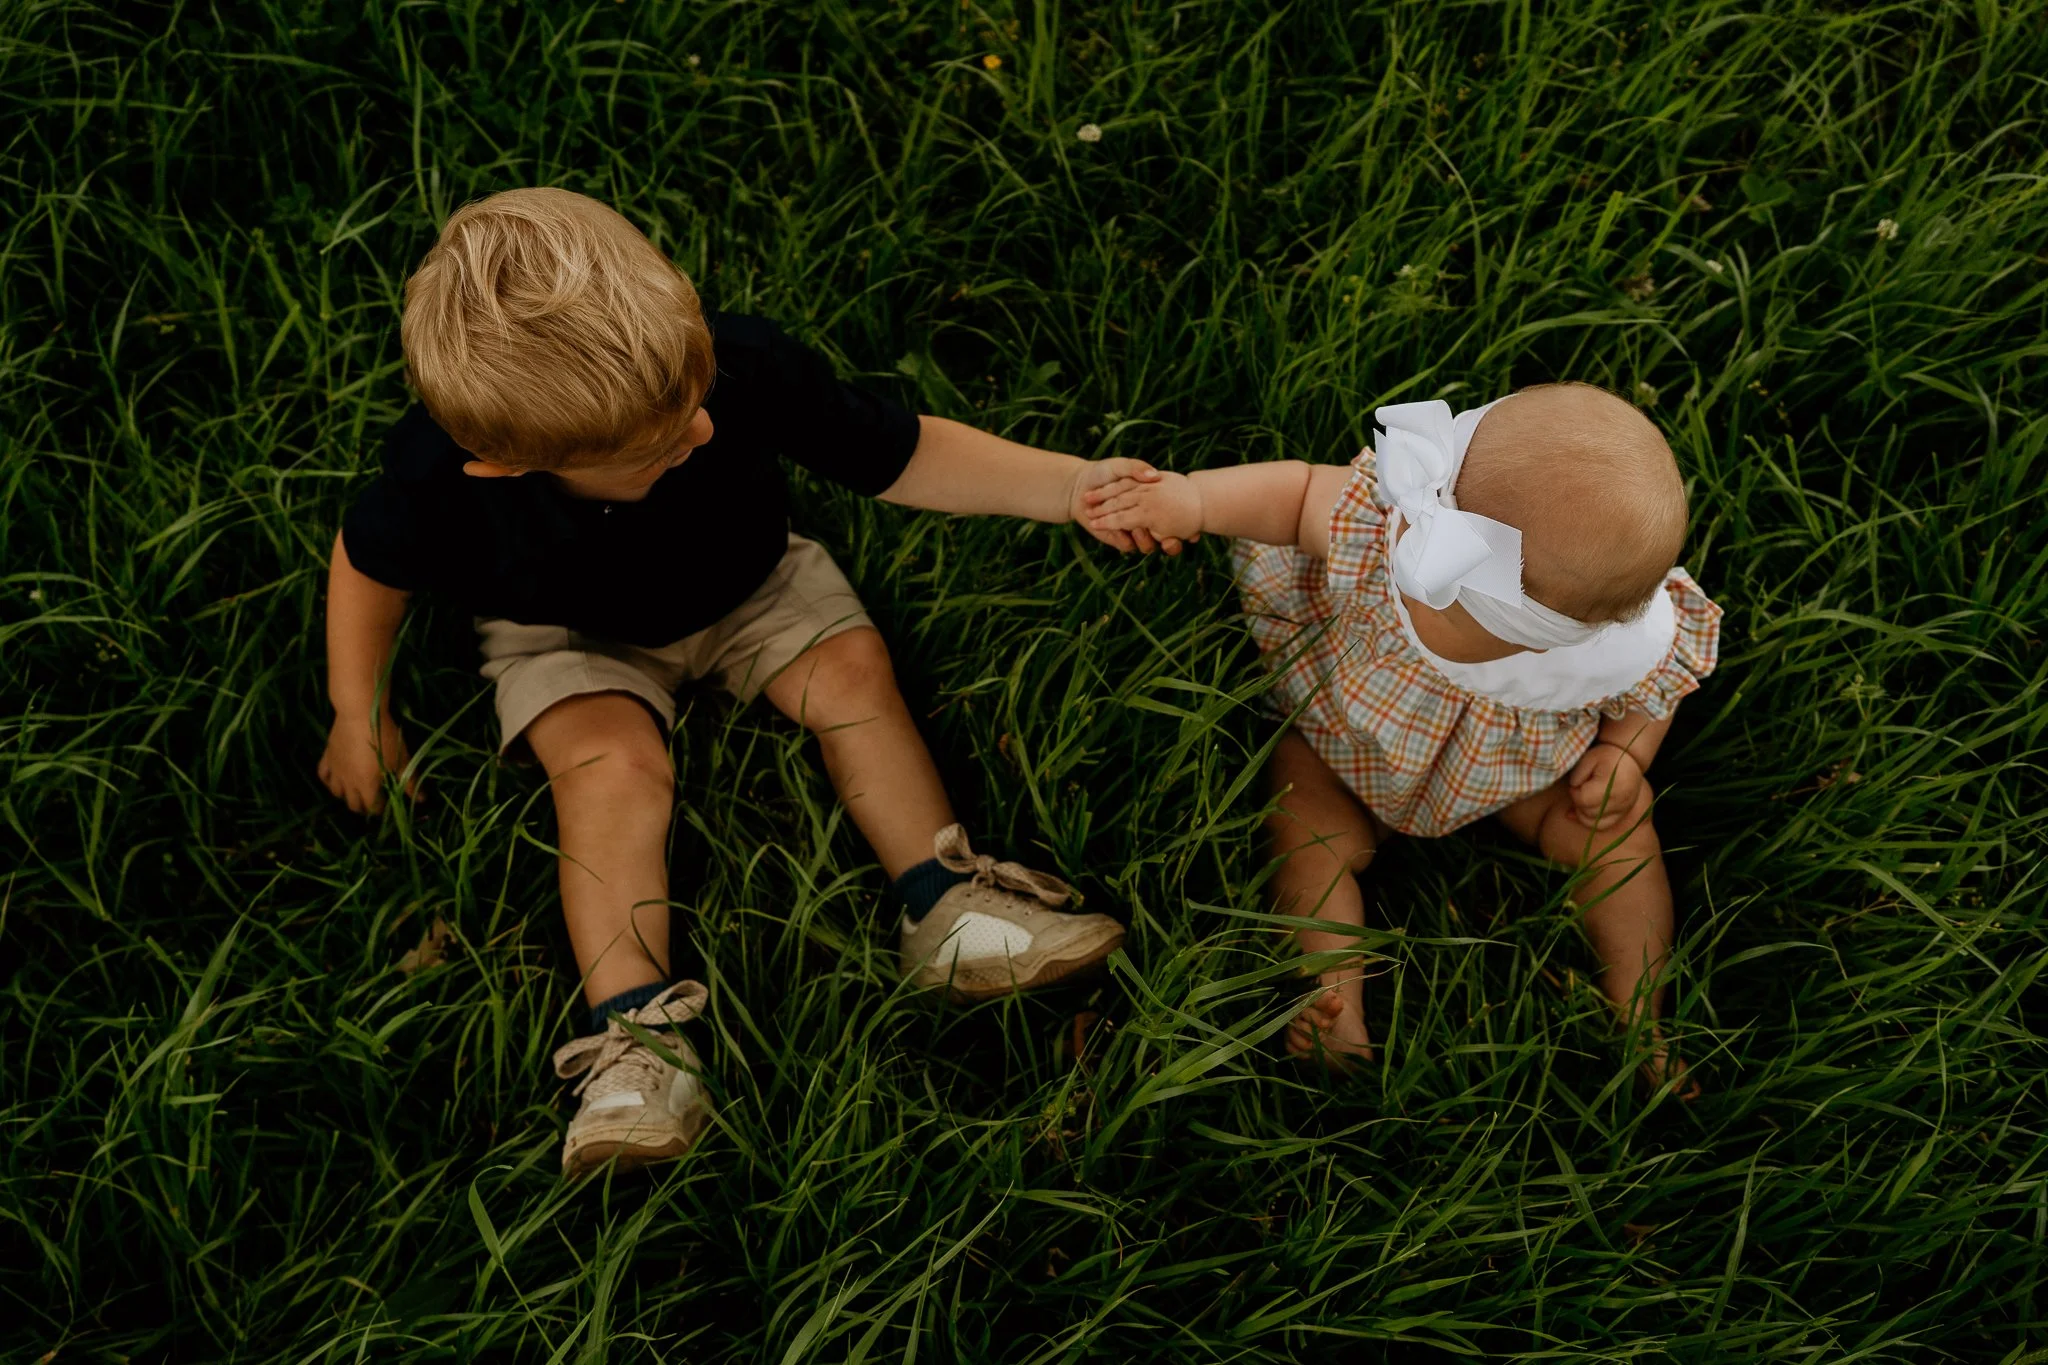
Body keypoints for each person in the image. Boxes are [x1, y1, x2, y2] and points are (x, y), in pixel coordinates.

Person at [318, 187, 1155, 1176]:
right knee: (608, 772)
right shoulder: (440, 472)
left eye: (693, 401)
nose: (703, 432)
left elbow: (902, 452)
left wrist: (1068, 486)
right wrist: (357, 711)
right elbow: (368, 567)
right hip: (566, 632)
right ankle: (638, 1041)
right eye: (662, 444)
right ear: (507, 465)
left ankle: (945, 907)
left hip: (753, 582)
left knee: (853, 676)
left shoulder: (731, 363)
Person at [1082, 385, 1720, 1093]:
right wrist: (1195, 500)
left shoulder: (1618, 645)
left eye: (1447, 603)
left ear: (1553, 638)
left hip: (1516, 772)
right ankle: (1333, 996)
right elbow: (1295, 497)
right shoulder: (1388, 522)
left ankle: (1639, 1012)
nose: (1416, 580)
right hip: (1342, 737)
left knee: (1618, 829)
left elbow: (1649, 693)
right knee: (1304, 824)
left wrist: (1625, 754)